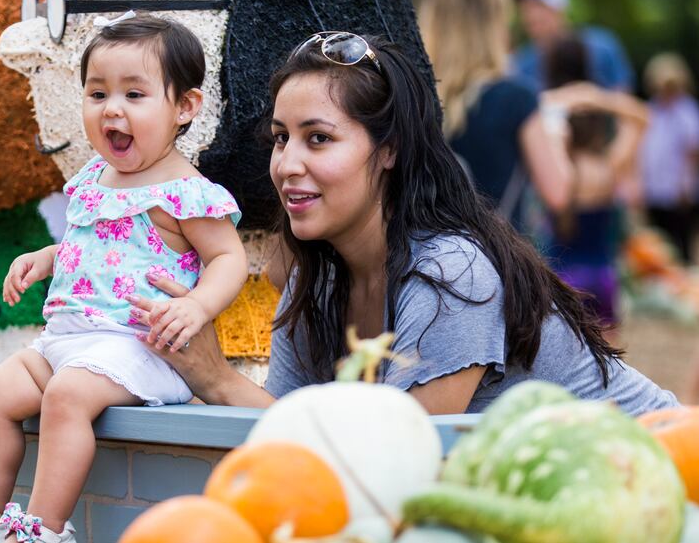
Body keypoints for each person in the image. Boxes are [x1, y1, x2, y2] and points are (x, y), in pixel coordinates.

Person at [128, 32, 678, 420]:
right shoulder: (314, 281)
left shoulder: (451, 273)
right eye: (280, 137)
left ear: (388, 150)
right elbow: (290, 430)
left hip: (661, 477)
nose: (287, 163)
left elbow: (397, 462)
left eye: (318, 138)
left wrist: (218, 379)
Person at [0, 14, 247, 543]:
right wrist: (49, 256)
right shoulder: (90, 179)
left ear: (184, 107)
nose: (113, 109)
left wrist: (197, 306)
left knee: (66, 397)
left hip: (137, 347)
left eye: (134, 94)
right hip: (69, 340)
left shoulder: (185, 191)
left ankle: (39, 528)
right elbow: (98, 246)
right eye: (98, 93)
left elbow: (228, 259)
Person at [419, 0, 573, 232]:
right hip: (494, 257)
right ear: (492, 30)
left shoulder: (416, 97)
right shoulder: (515, 97)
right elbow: (557, 193)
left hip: (426, 255)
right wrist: (556, 135)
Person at [541, 35, 648, 326]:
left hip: (560, 279)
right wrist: (597, 97)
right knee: (608, 365)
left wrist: (563, 100)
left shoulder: (553, 168)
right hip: (605, 278)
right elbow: (641, 117)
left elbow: (531, 110)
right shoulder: (609, 166)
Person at [639, 52, 699, 264]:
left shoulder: (686, 110)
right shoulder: (652, 108)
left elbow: (692, 152)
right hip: (655, 188)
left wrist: (685, 184)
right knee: (660, 245)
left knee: (680, 243)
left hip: (677, 190)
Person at [513, 0, 635, 92]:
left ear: (560, 8)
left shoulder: (601, 44)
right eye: (526, 7)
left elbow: (625, 96)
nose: (532, 15)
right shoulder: (522, 62)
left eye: (539, 6)